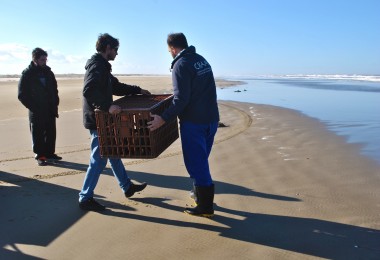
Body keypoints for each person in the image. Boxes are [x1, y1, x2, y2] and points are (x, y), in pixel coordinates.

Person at [148, 33, 219, 217]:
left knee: (197, 164)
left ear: (172, 48)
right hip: (211, 119)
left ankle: (206, 207)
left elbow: (180, 100)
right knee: (201, 161)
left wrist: (162, 118)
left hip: (194, 123)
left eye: (168, 50)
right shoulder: (201, 60)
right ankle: (200, 196)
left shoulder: (180, 65)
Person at [79, 33, 151, 211]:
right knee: (98, 160)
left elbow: (116, 86)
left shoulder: (103, 67)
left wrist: (138, 90)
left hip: (102, 118)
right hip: (97, 120)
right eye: (115, 50)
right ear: (107, 48)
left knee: (113, 153)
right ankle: (85, 197)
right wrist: (107, 106)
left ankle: (127, 187)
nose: (117, 53)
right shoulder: (97, 66)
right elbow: (88, 90)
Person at [18, 48, 61, 166]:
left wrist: (55, 101)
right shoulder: (27, 73)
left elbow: (54, 89)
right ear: (35, 59)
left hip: (50, 108)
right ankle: (40, 156)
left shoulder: (48, 72)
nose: (45, 61)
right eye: (42, 59)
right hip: (36, 111)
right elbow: (22, 95)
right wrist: (33, 107)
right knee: (37, 134)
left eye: (46, 59)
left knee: (51, 133)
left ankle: (50, 154)